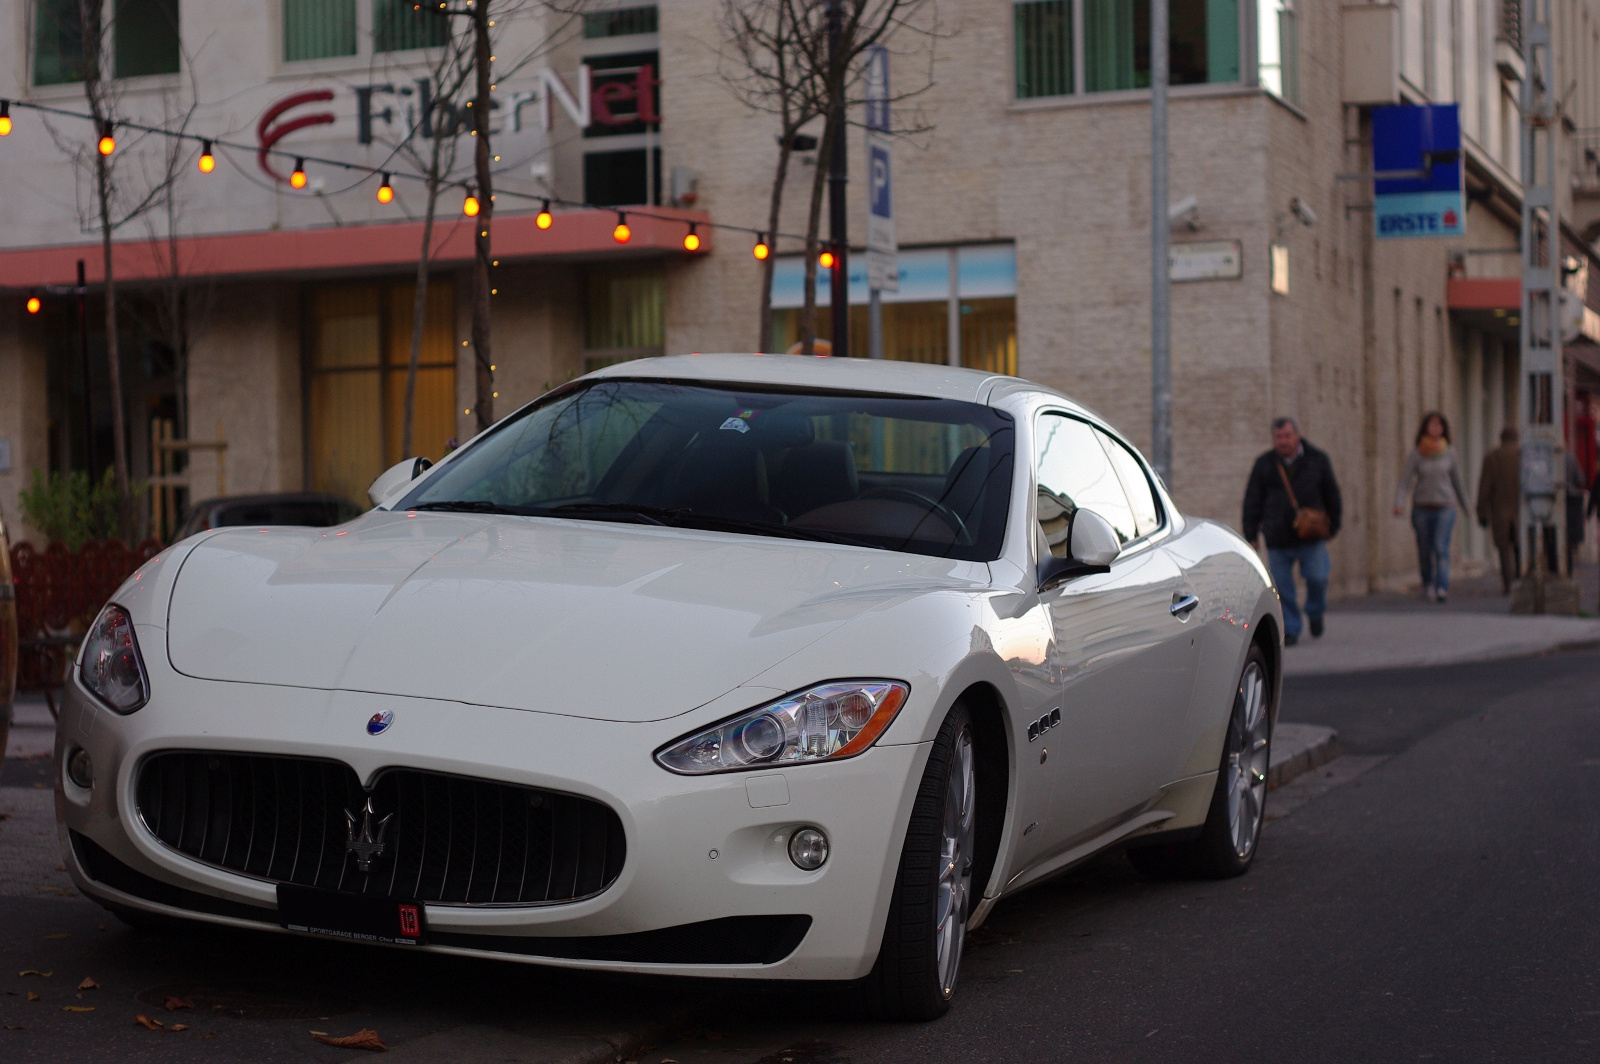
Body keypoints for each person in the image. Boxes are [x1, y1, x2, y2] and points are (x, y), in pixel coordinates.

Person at [1242, 417, 1342, 646]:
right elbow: (1252, 499)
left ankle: (1315, 613)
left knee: (1318, 578)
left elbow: (1332, 495)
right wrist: (1251, 533)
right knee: (1283, 588)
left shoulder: (1317, 460)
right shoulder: (1265, 464)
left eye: (1287, 436)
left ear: (1297, 436)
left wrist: (1333, 526)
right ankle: (1291, 628)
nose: (1283, 441)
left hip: (1311, 534)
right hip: (1278, 536)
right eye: (1278, 437)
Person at [1394, 411, 1470, 602]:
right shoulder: (1417, 453)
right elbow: (1405, 481)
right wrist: (1399, 503)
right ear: (1425, 428)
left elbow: (1457, 481)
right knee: (1424, 548)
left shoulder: (1450, 452)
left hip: (1445, 507)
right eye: (1432, 425)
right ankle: (1428, 582)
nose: (1435, 428)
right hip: (1422, 508)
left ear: (1443, 429)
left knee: (1441, 547)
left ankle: (1442, 586)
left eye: (1439, 425)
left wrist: (1466, 505)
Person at [1476, 426, 1521, 594]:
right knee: (1519, 546)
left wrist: (1481, 511)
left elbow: (1484, 487)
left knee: (1503, 548)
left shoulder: (1492, 457)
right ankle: (1520, 579)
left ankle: (1507, 583)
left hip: (1499, 509)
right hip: (1520, 510)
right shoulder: (1522, 456)